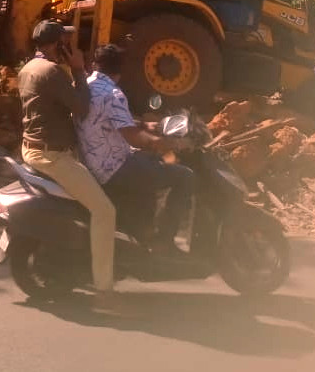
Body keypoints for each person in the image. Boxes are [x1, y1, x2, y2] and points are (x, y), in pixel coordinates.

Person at [18, 20, 117, 297]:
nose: (70, 45)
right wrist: (78, 69)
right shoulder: (51, 72)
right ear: (56, 45)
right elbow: (82, 108)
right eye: (65, 41)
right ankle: (104, 289)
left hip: (33, 149)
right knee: (105, 211)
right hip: (53, 156)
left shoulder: (28, 68)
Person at [74, 44, 195, 257]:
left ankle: (142, 229)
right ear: (121, 70)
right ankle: (165, 243)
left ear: (95, 64)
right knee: (184, 176)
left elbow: (111, 121)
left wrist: (145, 126)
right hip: (113, 168)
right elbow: (134, 138)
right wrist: (166, 144)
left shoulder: (86, 85)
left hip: (93, 161)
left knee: (149, 165)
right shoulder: (113, 93)